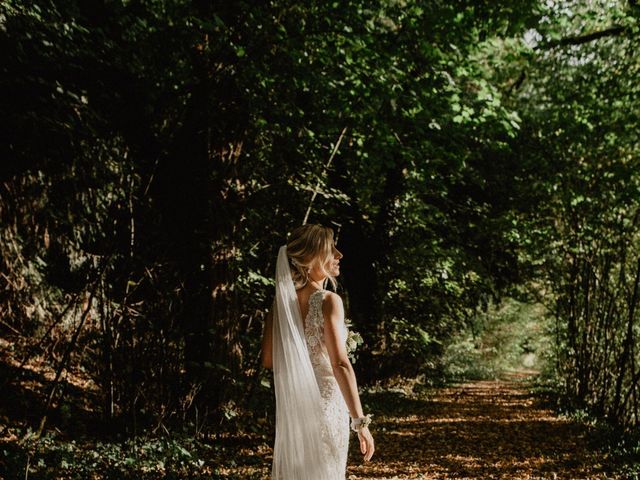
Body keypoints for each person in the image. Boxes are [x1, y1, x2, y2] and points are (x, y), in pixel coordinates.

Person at [261, 224, 375, 479]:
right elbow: (341, 365)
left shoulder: (280, 306)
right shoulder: (327, 301)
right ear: (311, 258)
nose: (339, 254)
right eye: (330, 249)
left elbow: (268, 360)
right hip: (326, 407)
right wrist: (360, 423)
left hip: (295, 407)